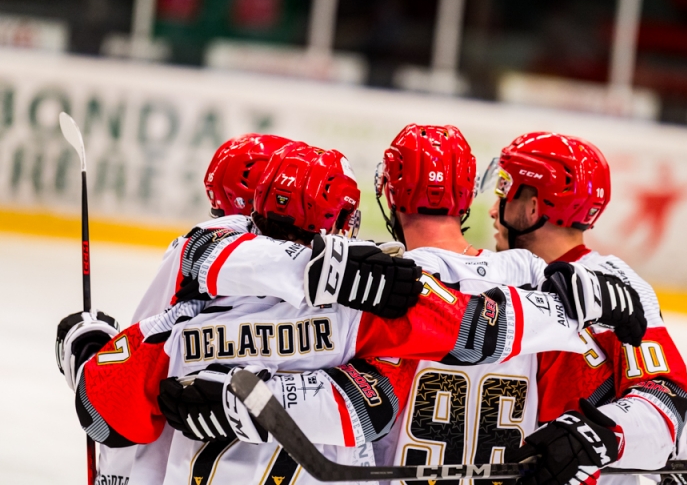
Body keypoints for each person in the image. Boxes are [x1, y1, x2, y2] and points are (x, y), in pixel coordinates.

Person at [65, 142, 646, 485]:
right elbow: (408, 379)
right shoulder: (367, 308)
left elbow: (105, 411)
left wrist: (89, 349)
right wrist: (579, 302)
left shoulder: (174, 325)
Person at [56, 134, 422, 484]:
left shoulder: (187, 307)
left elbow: (111, 408)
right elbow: (375, 405)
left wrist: (92, 352)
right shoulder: (356, 304)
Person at [485, 132, 687, 485]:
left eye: (504, 191)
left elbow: (664, 395)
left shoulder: (614, 289)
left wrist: (597, 435)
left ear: (535, 207)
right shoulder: (499, 277)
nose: (493, 210)